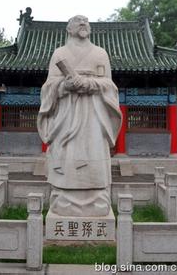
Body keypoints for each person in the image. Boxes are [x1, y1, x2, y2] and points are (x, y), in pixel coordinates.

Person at [37, 15, 122, 216]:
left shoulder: (100, 54)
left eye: (86, 22)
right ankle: (62, 198)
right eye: (78, 21)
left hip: (94, 113)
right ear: (68, 29)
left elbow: (110, 85)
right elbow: (48, 87)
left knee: (93, 150)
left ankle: (97, 198)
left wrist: (91, 84)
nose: (83, 24)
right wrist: (64, 85)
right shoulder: (59, 54)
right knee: (66, 153)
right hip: (66, 113)